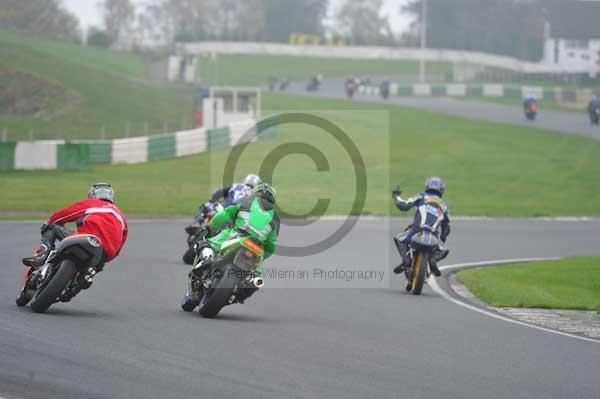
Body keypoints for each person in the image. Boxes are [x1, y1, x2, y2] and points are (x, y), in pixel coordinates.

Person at [182, 183, 279, 310]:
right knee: (256, 278)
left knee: (205, 243)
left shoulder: (246, 200)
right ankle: (239, 293)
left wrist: (211, 227)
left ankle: (207, 258)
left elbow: (224, 215)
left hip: (237, 235)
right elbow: (271, 246)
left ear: (257, 192)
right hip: (257, 248)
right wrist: (262, 257)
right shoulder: (276, 217)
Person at [22, 183, 128, 282]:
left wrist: (51, 222)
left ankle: (42, 255)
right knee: (93, 269)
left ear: (92, 195)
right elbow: (120, 245)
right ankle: (80, 281)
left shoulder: (92, 203)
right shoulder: (122, 216)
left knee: (52, 226)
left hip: (86, 239)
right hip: (104, 254)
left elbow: (61, 216)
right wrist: (107, 257)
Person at [391, 177, 450, 277]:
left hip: (416, 230)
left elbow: (404, 206)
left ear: (427, 186)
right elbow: (446, 228)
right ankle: (433, 260)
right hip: (433, 235)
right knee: (442, 250)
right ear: (441, 190)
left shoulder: (421, 196)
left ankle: (406, 260)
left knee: (399, 238)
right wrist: (442, 239)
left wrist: (396, 196)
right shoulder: (444, 205)